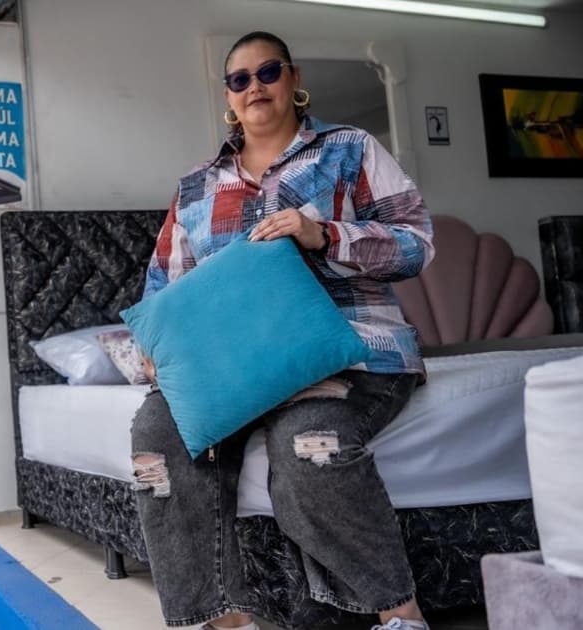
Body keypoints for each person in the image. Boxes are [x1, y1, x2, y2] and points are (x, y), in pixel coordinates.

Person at [131, 31, 435, 630]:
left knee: (307, 444)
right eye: (240, 79)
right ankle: (218, 620)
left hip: (349, 355)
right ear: (228, 97)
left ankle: (399, 613)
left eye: (268, 72)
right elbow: (163, 288)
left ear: (294, 79)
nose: (255, 87)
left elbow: (417, 245)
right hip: (236, 371)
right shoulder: (196, 187)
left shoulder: (349, 149)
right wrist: (153, 348)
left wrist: (324, 234)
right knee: (156, 436)